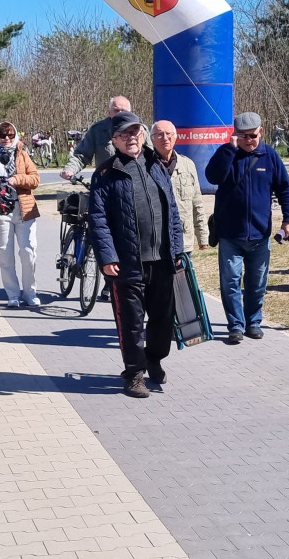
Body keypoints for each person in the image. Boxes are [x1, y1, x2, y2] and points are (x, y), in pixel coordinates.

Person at [89, 111, 184, 398]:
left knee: (162, 320)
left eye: (135, 132)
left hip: (162, 260)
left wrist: (177, 248)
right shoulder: (105, 173)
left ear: (143, 135)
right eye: (124, 134)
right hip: (127, 264)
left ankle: (153, 359)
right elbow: (98, 219)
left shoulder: (156, 164)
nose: (131, 138)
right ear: (114, 140)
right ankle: (133, 374)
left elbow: (173, 211)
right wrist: (107, 257)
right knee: (130, 323)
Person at [206, 111, 289, 345]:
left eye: (253, 136)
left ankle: (253, 322)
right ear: (235, 135)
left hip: (259, 234)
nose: (248, 140)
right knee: (231, 282)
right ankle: (235, 325)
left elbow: (285, 188)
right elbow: (212, 176)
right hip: (230, 235)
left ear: (261, 132)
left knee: (257, 283)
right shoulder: (227, 154)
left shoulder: (270, 156)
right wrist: (229, 149)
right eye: (243, 136)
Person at [61, 95, 151, 300]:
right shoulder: (98, 130)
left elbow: (151, 154)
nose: (120, 114)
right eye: (116, 110)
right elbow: (82, 154)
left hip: (133, 189)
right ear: (109, 112)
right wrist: (69, 170)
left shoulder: (140, 130)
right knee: (102, 235)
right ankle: (110, 280)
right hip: (106, 188)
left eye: (124, 110)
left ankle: (116, 281)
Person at [0, 121, 41, 308]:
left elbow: (35, 178)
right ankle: (12, 295)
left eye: (11, 135)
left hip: (24, 211)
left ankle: (30, 293)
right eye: (2, 135)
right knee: (5, 256)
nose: (6, 139)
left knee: (28, 253)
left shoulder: (21, 152)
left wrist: (15, 179)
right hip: (0, 211)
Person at [150, 120, 209, 253]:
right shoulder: (145, 167)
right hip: (156, 244)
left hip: (183, 240)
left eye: (168, 134)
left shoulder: (188, 165)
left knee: (184, 274)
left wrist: (202, 236)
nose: (165, 138)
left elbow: (197, 202)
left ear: (175, 137)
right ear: (152, 139)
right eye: (159, 134)